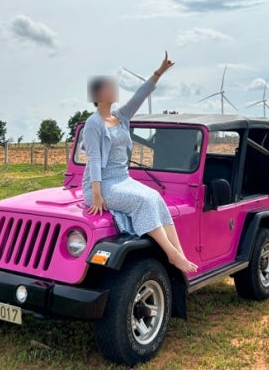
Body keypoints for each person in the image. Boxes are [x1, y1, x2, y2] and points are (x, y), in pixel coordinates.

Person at [82, 52, 199, 274]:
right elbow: (94, 159)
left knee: (155, 197)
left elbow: (140, 95)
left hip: (122, 179)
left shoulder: (121, 116)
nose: (114, 89)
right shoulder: (93, 124)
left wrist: (159, 72)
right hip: (100, 184)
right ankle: (171, 254)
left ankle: (180, 252)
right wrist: (96, 195)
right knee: (142, 201)